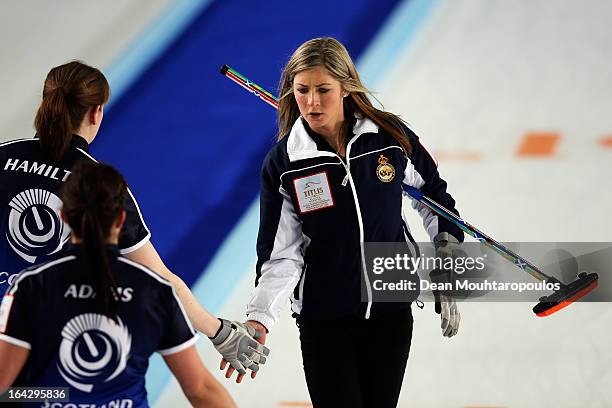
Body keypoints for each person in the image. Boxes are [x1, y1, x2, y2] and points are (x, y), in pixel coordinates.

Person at [0, 61, 267, 381]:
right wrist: (219, 331)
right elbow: (160, 279)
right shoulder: (97, 183)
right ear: (96, 113)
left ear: (45, 103)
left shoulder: (3, 156)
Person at [234, 37, 464, 407]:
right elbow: (281, 255)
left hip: (391, 311)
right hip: (325, 320)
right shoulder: (285, 164)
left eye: (323, 90)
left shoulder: (389, 139)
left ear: (346, 88)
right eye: (302, 90)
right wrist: (259, 317)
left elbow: (436, 199)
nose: (311, 102)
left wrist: (447, 259)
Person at [0, 162, 236, 407]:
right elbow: (200, 390)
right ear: (121, 219)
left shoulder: (31, 286)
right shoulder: (155, 292)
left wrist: (60, 395)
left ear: (64, 217)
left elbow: (3, 389)